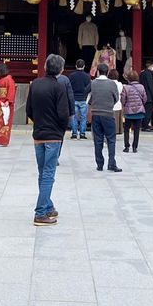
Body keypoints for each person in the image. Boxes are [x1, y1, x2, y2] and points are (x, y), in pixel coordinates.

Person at [29, 54, 71, 225]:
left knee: (43, 172)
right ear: (61, 70)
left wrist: (39, 123)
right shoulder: (59, 86)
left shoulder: (35, 85)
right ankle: (40, 212)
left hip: (38, 134)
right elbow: (63, 114)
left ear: (45, 67)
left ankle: (47, 206)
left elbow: (29, 111)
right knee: (48, 173)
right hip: (53, 135)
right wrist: (61, 129)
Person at [88, 64, 123, 172]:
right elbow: (116, 98)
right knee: (111, 140)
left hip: (96, 114)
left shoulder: (93, 83)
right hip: (108, 113)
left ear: (98, 71)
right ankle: (111, 163)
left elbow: (90, 98)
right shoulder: (112, 84)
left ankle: (99, 164)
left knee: (98, 140)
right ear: (107, 72)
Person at [120, 68, 146, 153]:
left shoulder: (126, 88)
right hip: (139, 112)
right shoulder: (141, 87)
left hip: (129, 112)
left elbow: (123, 100)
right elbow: (145, 99)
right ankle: (135, 147)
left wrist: (125, 105)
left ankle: (127, 146)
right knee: (137, 129)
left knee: (127, 128)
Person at [0, 62, 15, 147]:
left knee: (5, 122)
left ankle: (3, 141)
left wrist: (8, 101)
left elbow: (11, 91)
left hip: (5, 104)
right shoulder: (0, 79)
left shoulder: (9, 80)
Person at [68, 59, 92, 140]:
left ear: (76, 66)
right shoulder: (87, 76)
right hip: (83, 99)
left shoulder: (71, 75)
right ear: (84, 66)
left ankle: (74, 133)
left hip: (74, 98)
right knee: (83, 117)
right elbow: (89, 88)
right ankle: (82, 134)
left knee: (73, 116)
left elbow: (69, 87)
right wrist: (85, 94)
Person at [139, 59, 153, 131]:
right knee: (148, 112)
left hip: (143, 95)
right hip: (149, 96)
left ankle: (143, 125)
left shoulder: (142, 73)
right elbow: (151, 86)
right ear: (151, 66)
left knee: (144, 111)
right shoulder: (149, 74)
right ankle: (145, 126)